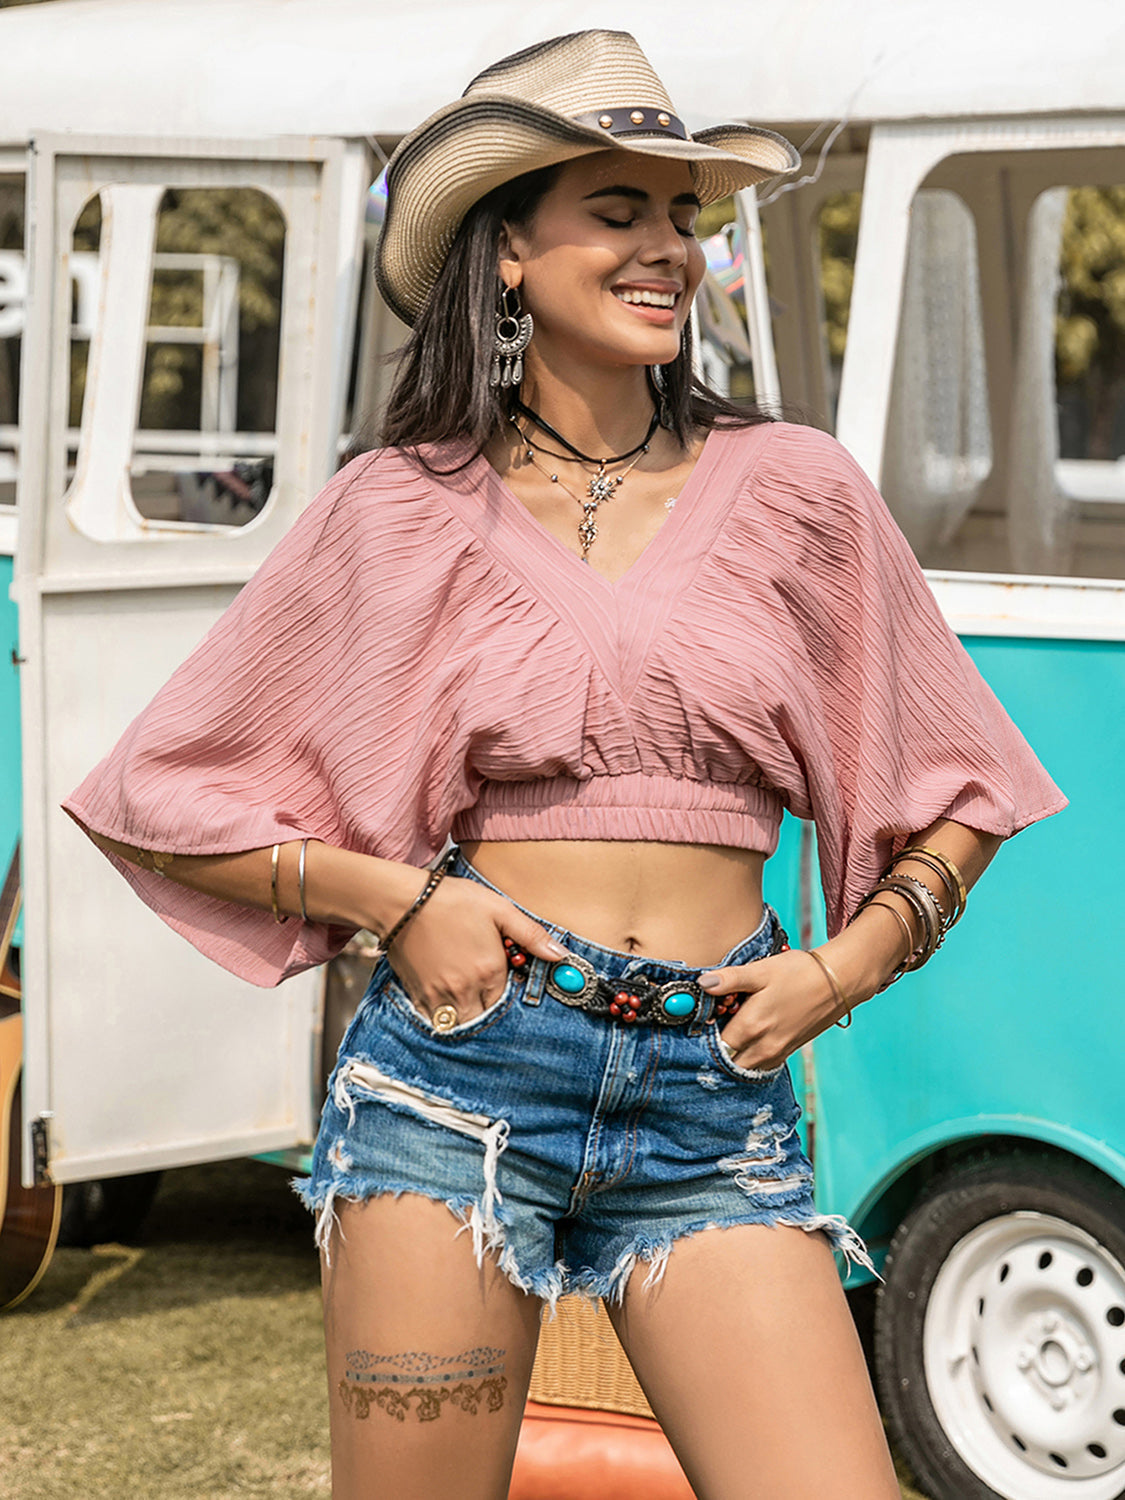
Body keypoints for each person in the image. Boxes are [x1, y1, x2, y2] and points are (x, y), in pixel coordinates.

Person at [64, 30, 1065, 1500]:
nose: (669, 245)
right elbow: (156, 793)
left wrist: (845, 965)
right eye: (620, 209)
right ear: (509, 253)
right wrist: (393, 900)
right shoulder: (398, 509)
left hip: (714, 1086)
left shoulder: (795, 489)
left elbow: (961, 784)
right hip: (455, 1088)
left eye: (684, 215)